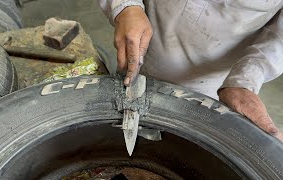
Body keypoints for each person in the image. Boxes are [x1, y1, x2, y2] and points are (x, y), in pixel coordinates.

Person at [99, 0, 283, 141]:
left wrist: (246, 78)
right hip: (142, 39)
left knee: (184, 144)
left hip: (212, 80)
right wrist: (126, 7)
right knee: (117, 124)